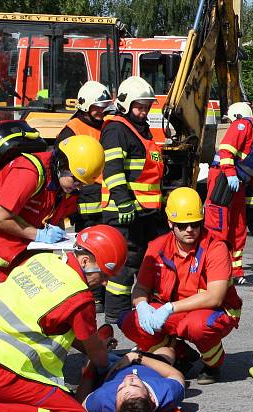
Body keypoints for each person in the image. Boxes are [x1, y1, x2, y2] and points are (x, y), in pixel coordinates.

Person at [0, 225, 128, 412]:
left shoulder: (41, 260)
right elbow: (99, 357)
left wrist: (93, 344)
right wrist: (108, 358)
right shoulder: (79, 297)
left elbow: (50, 322)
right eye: (103, 274)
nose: (104, 282)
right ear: (85, 262)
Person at [120, 187, 243, 385]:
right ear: (170, 223)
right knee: (130, 321)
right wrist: (142, 306)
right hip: (175, 312)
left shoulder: (215, 247)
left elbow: (215, 297)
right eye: (182, 225)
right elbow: (141, 289)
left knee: (196, 326)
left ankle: (213, 363)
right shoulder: (157, 247)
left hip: (214, 311)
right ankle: (181, 354)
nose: (189, 230)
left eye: (195, 224)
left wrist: (169, 308)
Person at [0, 134, 105, 294]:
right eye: (76, 180)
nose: (79, 187)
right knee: (3, 306)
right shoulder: (29, 172)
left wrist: (58, 243)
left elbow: (58, 216)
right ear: (63, 166)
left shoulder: (65, 185)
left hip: (20, 245)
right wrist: (39, 235)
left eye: (83, 183)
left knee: (26, 301)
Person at [100, 75, 164, 324]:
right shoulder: (117, 129)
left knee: (144, 261)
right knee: (123, 267)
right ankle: (116, 316)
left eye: (147, 106)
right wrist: (124, 202)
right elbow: (113, 170)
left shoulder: (140, 129)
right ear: (125, 104)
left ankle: (137, 309)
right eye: (139, 106)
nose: (143, 111)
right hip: (124, 212)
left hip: (144, 212)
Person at [54, 80, 114, 313]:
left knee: (107, 246)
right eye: (97, 106)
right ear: (86, 105)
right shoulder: (72, 129)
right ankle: (94, 296)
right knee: (89, 248)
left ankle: (106, 295)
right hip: (86, 197)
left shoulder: (106, 124)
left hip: (105, 194)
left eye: (104, 106)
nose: (102, 111)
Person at [206, 102, 253, 282]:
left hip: (239, 184)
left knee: (239, 226)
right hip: (222, 181)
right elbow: (226, 152)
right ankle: (214, 268)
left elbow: (251, 167)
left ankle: (235, 271)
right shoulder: (243, 126)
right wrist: (230, 174)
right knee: (219, 226)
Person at [79, 346, 185, 412]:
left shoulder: (103, 400)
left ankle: (105, 346)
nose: (127, 380)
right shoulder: (169, 393)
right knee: (168, 352)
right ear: (151, 397)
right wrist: (135, 357)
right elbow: (175, 373)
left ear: (115, 406)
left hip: (112, 367)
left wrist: (91, 365)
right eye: (135, 385)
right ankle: (150, 345)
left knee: (97, 356)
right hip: (147, 364)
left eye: (120, 388)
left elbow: (80, 403)